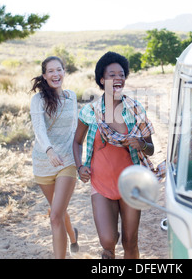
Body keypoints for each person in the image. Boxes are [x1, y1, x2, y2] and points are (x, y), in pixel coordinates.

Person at [73, 51, 156, 259]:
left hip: (131, 183)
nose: (118, 78)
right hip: (101, 183)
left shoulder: (135, 110)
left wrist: (140, 143)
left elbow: (151, 148)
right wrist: (80, 167)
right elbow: (76, 142)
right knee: (108, 240)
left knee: (130, 242)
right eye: (112, 75)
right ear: (102, 80)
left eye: (121, 74)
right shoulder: (90, 111)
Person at [30, 56, 79, 258]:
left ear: (64, 72)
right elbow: (39, 128)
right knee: (58, 210)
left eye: (59, 70)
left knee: (55, 216)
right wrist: (49, 150)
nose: (55, 74)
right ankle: (73, 237)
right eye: (50, 71)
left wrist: (81, 157)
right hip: (43, 162)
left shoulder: (71, 97)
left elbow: (76, 128)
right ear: (44, 75)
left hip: (67, 161)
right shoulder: (38, 100)